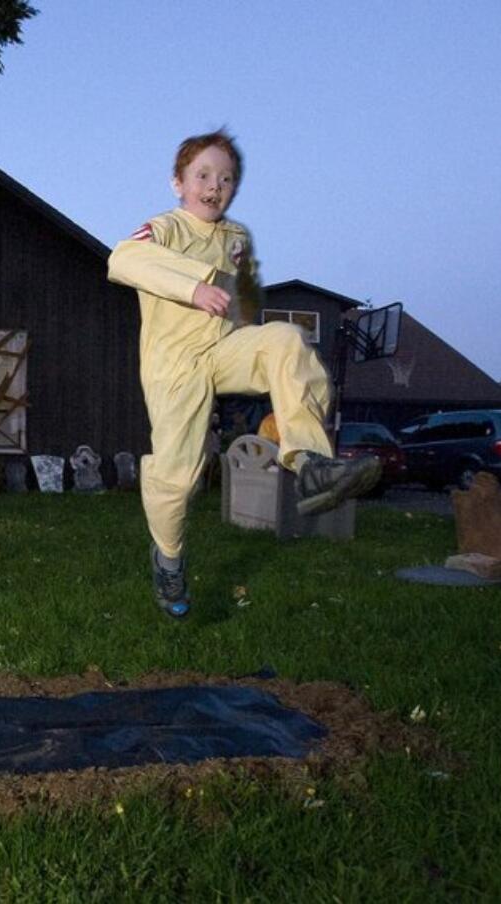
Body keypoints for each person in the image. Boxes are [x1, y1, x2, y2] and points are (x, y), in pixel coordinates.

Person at [108, 129, 380, 619]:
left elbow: (243, 301)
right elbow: (122, 259)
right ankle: (168, 557)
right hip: (175, 364)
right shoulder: (165, 227)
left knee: (287, 340)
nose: (215, 186)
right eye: (203, 176)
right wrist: (193, 289)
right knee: (179, 477)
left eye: (226, 179)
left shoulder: (237, 238)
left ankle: (312, 465)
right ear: (179, 183)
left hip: (224, 347)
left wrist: (268, 365)